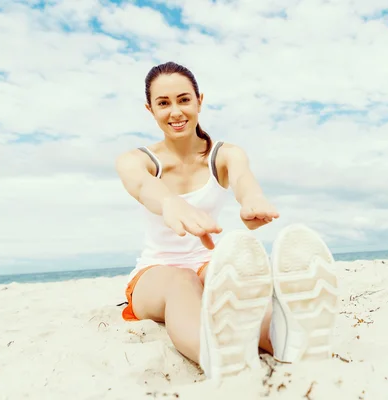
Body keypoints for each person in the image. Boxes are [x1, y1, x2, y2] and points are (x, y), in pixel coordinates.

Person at [115, 61, 339, 383]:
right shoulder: (135, 160)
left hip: (207, 262)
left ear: (199, 101)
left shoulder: (224, 153)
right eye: (163, 103)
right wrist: (169, 203)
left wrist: (252, 200)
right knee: (182, 281)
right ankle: (215, 353)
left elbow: (242, 178)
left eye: (183, 99)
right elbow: (142, 185)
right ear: (150, 110)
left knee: (241, 286)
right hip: (154, 275)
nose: (175, 111)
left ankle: (283, 337)